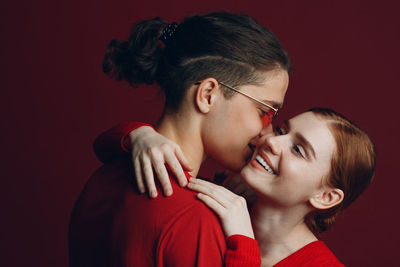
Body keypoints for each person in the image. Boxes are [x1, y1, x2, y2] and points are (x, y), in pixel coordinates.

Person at [69, 12, 291, 266]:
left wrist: (133, 134)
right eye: (265, 112)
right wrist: (243, 243)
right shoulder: (195, 220)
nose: (268, 132)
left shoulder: (104, 176)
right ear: (208, 95)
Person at [103, 108, 376, 266]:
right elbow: (105, 148)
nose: (272, 142)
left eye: (298, 150)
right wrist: (141, 135)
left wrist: (243, 246)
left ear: (326, 196)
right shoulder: (224, 196)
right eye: (282, 130)